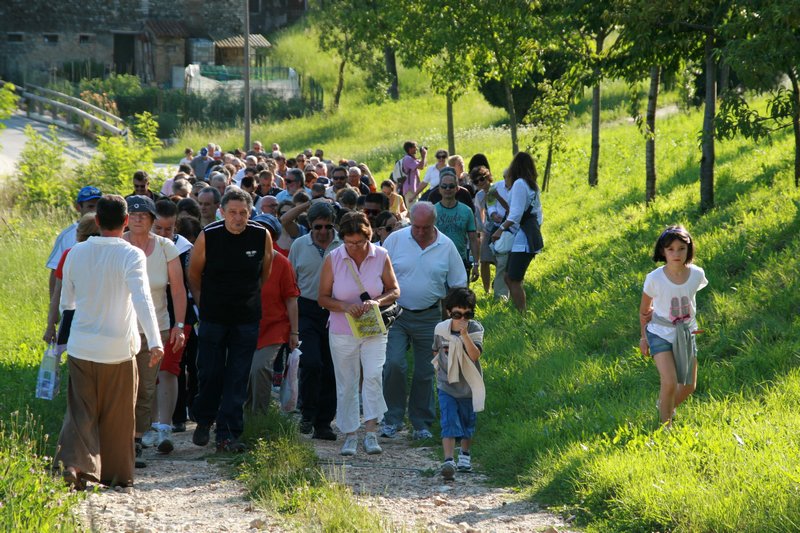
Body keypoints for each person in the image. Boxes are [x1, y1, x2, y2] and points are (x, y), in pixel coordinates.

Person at [55, 194, 164, 489]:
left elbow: (68, 302)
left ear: (98, 221)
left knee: (80, 412)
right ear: (126, 221)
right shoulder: (131, 255)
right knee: (119, 415)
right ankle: (116, 474)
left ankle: (75, 465)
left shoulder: (75, 253)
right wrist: (155, 341)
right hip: (119, 348)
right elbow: (142, 299)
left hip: (82, 346)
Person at [188, 188, 273, 452]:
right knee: (210, 372)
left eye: (243, 213)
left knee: (237, 376)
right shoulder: (209, 236)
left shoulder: (261, 235)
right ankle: (204, 419)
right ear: (221, 212)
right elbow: (194, 274)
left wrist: (246, 297)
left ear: (250, 213)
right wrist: (205, 305)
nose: (238, 218)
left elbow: (265, 273)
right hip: (214, 317)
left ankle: (228, 434)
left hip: (246, 318)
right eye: (233, 212)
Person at [381, 202, 467, 439]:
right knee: (394, 364)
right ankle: (392, 418)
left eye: (425, 227)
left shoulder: (446, 246)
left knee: (425, 371)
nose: (419, 232)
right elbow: (378, 272)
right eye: (415, 227)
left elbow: (459, 283)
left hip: (430, 314)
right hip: (395, 313)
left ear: (434, 224)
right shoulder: (396, 240)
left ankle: (421, 423)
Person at [318, 212, 400, 456]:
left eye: (359, 242)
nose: (353, 247)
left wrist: (377, 302)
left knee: (374, 375)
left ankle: (372, 431)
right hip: (343, 329)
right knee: (347, 381)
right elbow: (322, 297)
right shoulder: (333, 258)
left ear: (369, 237)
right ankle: (350, 433)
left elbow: (394, 290)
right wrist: (344, 306)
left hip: (373, 327)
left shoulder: (381, 255)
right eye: (348, 242)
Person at [123, 196, 186, 465]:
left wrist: (179, 325)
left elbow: (179, 289)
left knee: (146, 388)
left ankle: (135, 442)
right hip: (121, 328)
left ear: (151, 218)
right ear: (125, 218)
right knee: (123, 386)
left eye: (143, 214)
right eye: (133, 214)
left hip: (155, 328)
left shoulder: (165, 247)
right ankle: (119, 441)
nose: (138, 218)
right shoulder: (117, 244)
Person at [639, 225, 708, 427]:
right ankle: (665, 427)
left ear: (689, 250)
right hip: (659, 333)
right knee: (669, 382)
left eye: (681, 249)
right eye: (670, 249)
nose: (676, 254)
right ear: (663, 251)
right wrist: (644, 337)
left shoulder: (696, 274)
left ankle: (664, 407)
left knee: (688, 386)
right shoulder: (654, 279)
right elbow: (644, 311)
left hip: (686, 333)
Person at [288, 202, 341, 440]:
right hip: (307, 308)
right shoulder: (299, 245)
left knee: (331, 367)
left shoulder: (343, 245)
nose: (323, 231)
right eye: (318, 226)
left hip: (336, 310)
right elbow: (291, 282)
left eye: (328, 226)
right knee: (311, 362)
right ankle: (307, 413)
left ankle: (324, 422)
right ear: (310, 225)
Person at [247, 214, 300, 414]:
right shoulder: (243, 257)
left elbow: (291, 298)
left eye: (267, 232)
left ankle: (259, 417)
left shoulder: (282, 263)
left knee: (260, 368)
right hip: (244, 325)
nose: (261, 236)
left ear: (274, 237)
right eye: (257, 230)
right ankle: (244, 419)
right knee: (245, 372)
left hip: (274, 327)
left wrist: (294, 333)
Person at [433, 288, 485, 481]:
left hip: (469, 385)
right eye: (457, 314)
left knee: (466, 421)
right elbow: (436, 351)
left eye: (467, 314)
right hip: (446, 383)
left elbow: (475, 355)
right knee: (448, 419)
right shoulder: (440, 329)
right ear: (448, 312)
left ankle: (464, 454)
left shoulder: (475, 329)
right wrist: (439, 369)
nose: (462, 318)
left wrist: (464, 335)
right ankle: (448, 460)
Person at [490, 152, 543, 312]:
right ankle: (517, 310)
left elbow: (516, 214)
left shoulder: (520, 184)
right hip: (526, 235)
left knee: (513, 279)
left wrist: (500, 230)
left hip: (523, 240)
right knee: (508, 277)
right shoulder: (532, 185)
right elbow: (538, 214)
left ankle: (522, 313)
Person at [44, 186, 102, 326]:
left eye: (98, 206)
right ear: (78, 207)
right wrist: (54, 307)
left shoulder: (108, 231)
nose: (94, 210)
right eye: (90, 206)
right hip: (73, 302)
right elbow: (55, 272)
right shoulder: (67, 236)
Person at [43, 213, 100, 348]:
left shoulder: (69, 254)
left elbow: (57, 294)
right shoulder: (110, 255)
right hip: (102, 320)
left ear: (78, 235)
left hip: (73, 318)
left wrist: (51, 325)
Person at [434, 168, 479, 282]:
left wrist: (476, 264)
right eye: (444, 186)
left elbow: (473, 239)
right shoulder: (432, 211)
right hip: (437, 261)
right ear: (439, 189)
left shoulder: (466, 211)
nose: (447, 189)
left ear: (457, 188)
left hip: (460, 261)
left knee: (460, 297)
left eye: (451, 186)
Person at [471, 166, 496, 293]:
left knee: (501, 261)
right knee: (485, 260)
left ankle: (500, 283)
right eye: (476, 181)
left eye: (482, 179)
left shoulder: (497, 189)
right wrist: (481, 230)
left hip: (502, 227)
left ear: (487, 176)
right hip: (488, 229)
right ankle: (487, 290)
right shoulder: (479, 196)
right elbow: (479, 214)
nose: (480, 183)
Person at [399, 141, 427, 205]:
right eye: (415, 147)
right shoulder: (408, 159)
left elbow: (424, 164)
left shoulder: (412, 158)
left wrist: (423, 155)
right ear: (410, 149)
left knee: (417, 208)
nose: (416, 149)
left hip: (415, 188)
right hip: (410, 188)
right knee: (412, 209)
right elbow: (421, 167)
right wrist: (424, 156)